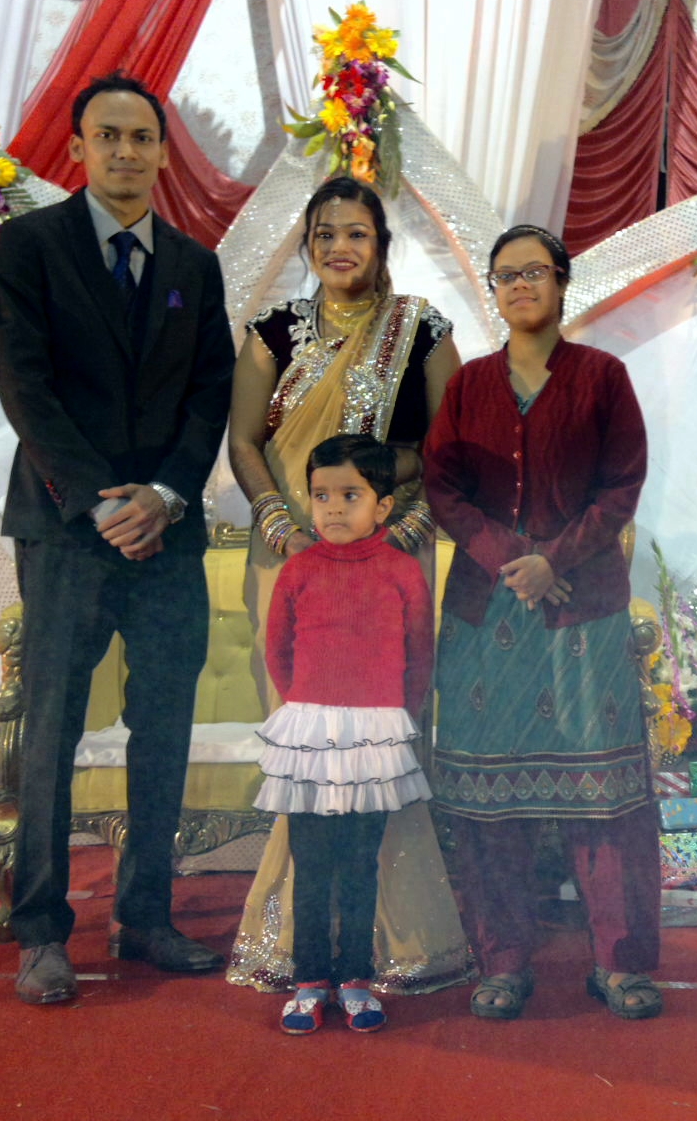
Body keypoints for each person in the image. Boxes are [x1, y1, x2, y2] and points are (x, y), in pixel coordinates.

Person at [0, 73, 235, 1004]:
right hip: (67, 528)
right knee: (52, 729)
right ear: (79, 149)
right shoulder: (30, 246)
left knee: (161, 728)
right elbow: (27, 387)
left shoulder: (193, 264)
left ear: (164, 152)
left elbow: (210, 391)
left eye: (143, 137)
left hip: (167, 533)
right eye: (110, 136)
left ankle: (146, 917)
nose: (128, 152)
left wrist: (168, 495)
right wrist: (102, 501)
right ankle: (42, 931)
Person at [226, 175, 469, 998]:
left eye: (358, 233)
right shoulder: (274, 331)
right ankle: (298, 947)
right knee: (304, 740)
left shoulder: (422, 331)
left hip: (391, 557)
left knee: (389, 738)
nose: (341, 247)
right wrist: (277, 522)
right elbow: (246, 440)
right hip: (293, 557)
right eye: (325, 233)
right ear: (306, 244)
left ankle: (399, 939)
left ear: (382, 245)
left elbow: (453, 446)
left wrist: (409, 526)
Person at [424, 224, 662, 1021]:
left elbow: (621, 486)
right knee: (489, 802)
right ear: (493, 291)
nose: (518, 285)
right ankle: (503, 963)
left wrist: (554, 559)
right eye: (504, 276)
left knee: (605, 796)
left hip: (581, 612)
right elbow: (443, 487)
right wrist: (506, 556)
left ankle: (618, 964)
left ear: (562, 284)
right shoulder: (469, 385)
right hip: (486, 614)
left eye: (533, 272)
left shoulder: (603, 378)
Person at [254, 434, 434, 1035]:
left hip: (376, 738)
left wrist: (395, 721)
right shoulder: (298, 569)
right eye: (321, 494)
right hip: (311, 733)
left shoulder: (402, 572)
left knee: (360, 864)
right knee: (312, 865)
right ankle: (309, 980)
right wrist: (305, 705)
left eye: (349, 495)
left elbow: (420, 656)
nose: (332, 508)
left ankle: (355, 977)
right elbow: (276, 648)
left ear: (382, 506)